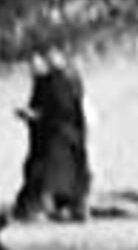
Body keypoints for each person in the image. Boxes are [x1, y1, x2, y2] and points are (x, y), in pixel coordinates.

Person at [12, 56, 91, 224]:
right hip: (59, 138)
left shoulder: (59, 82)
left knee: (52, 174)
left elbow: (63, 111)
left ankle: (52, 207)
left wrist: (38, 116)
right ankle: (64, 206)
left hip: (62, 138)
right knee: (53, 173)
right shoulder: (48, 83)